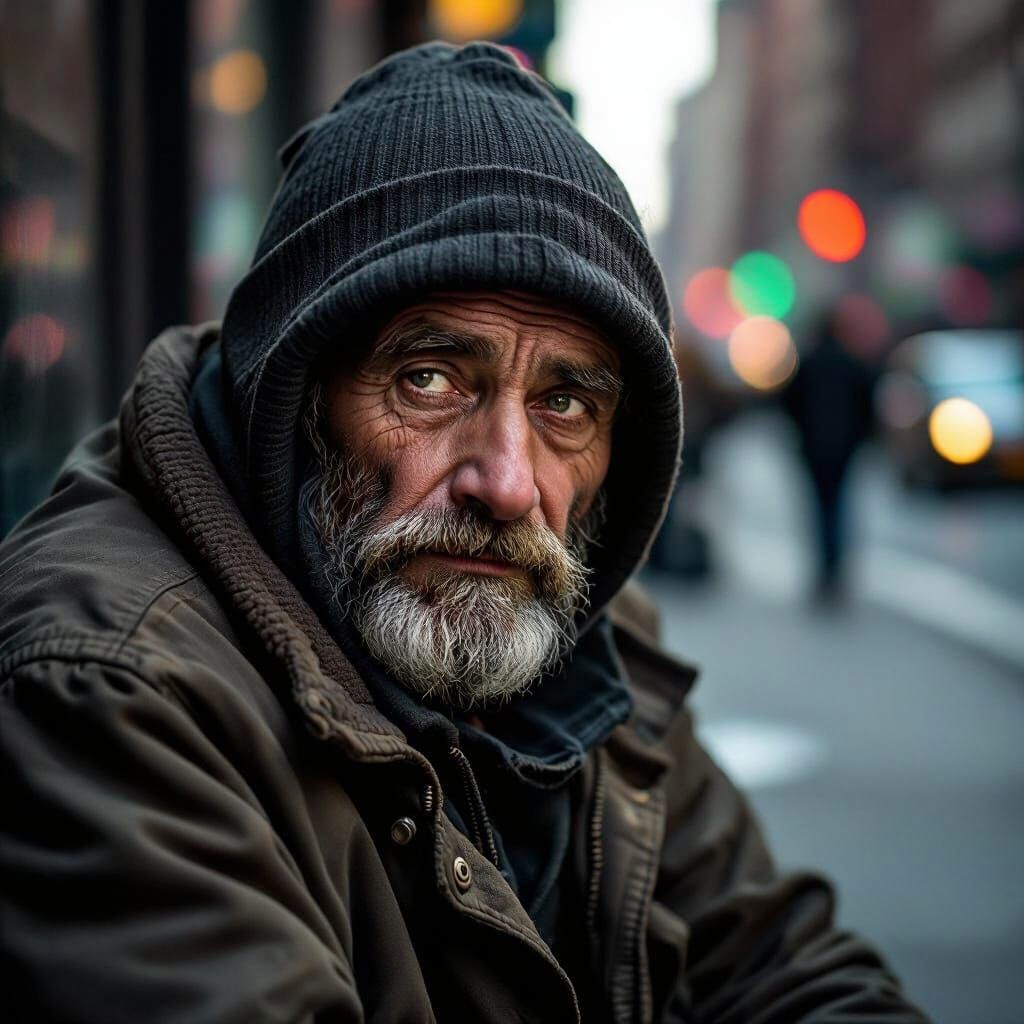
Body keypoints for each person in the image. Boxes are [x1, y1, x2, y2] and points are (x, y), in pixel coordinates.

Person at [0, 42, 927, 1023]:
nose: (510, 484)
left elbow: (787, 970)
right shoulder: (105, 686)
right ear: (290, 396)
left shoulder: (581, 646)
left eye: (566, 402)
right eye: (429, 381)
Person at [782, 309, 877, 600]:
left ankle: (825, 568)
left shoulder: (807, 363)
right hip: (843, 448)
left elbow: (789, 403)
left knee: (819, 508)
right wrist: (860, 438)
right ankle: (835, 568)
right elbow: (868, 405)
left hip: (813, 447)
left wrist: (800, 432)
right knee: (839, 505)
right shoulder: (852, 363)